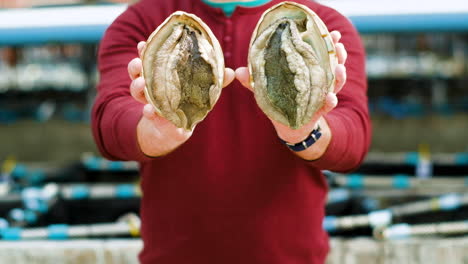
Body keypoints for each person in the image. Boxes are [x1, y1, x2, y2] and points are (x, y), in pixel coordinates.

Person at [91, 0, 371, 263]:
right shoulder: (141, 20)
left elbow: (353, 138)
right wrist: (154, 131)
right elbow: (111, 121)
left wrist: (306, 131)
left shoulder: (328, 23)